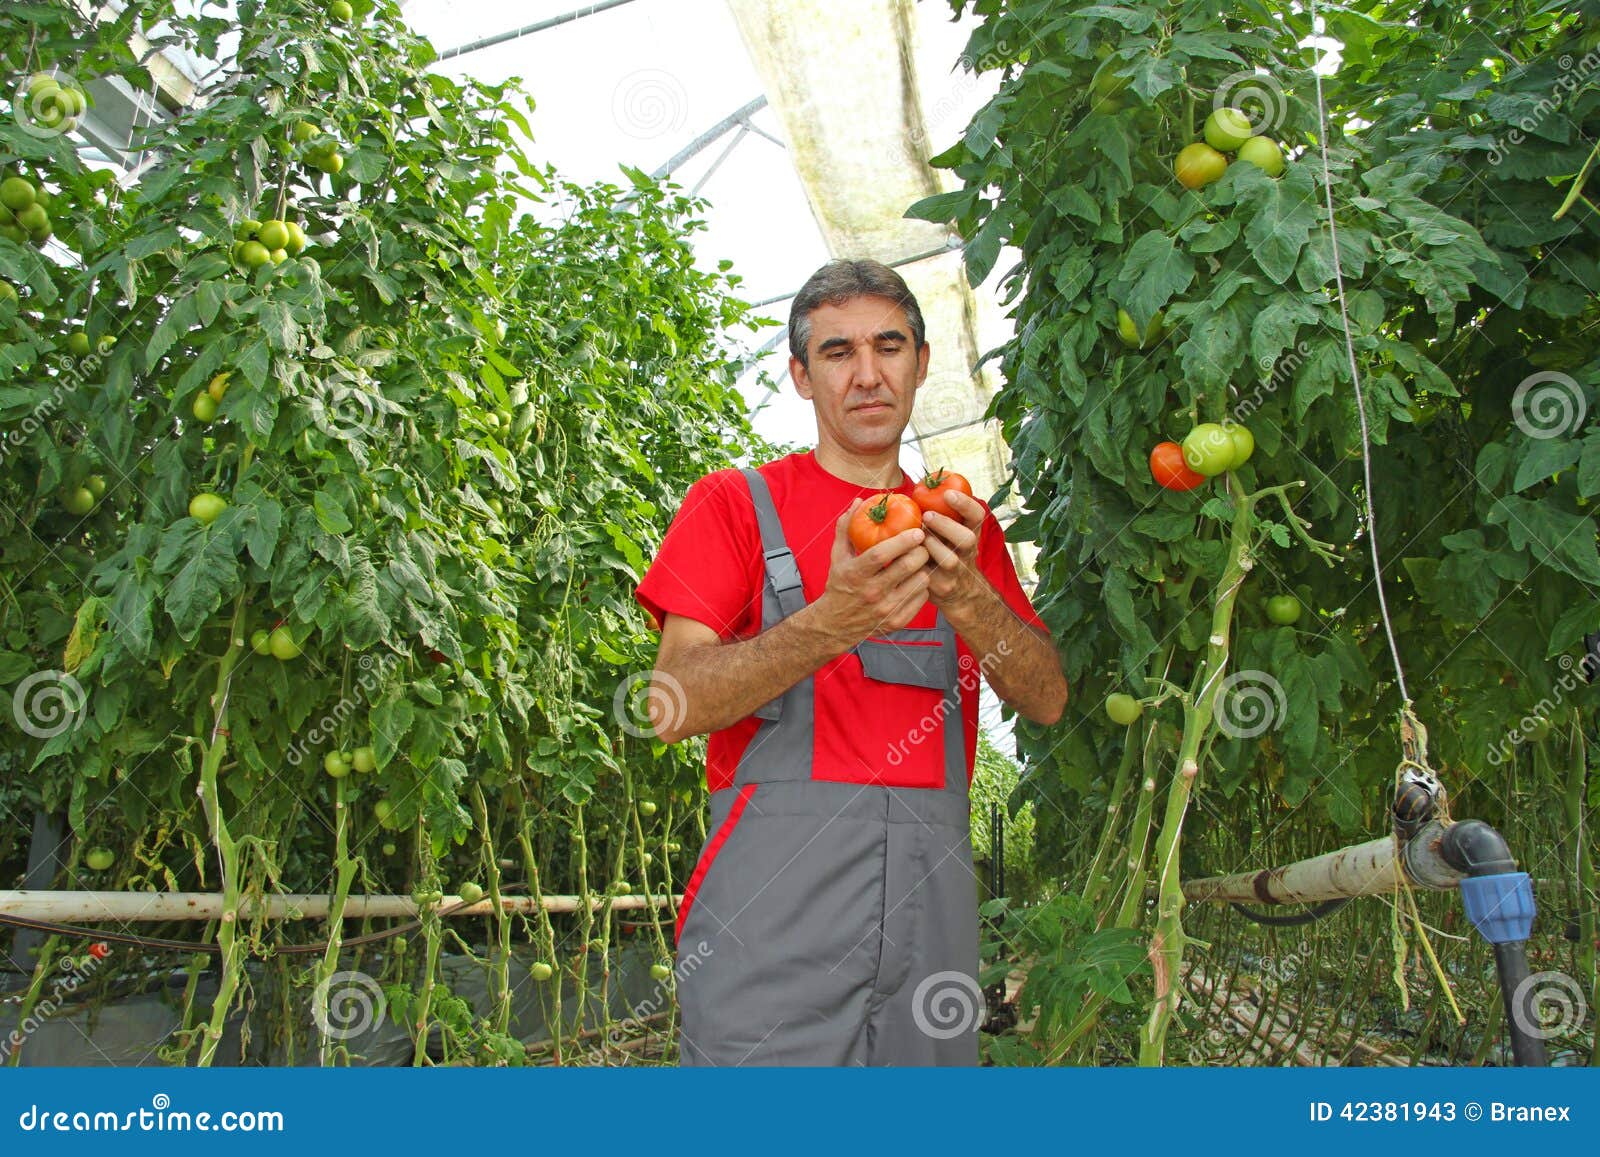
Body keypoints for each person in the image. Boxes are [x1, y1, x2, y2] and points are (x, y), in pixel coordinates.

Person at [633, 258, 1067, 1066]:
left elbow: (1044, 698)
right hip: (771, 907)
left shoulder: (963, 525)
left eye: (889, 346)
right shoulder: (736, 506)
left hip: (929, 907)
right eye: (837, 353)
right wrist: (830, 622)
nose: (867, 375)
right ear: (801, 375)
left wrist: (966, 593)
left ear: (922, 364)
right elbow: (671, 704)